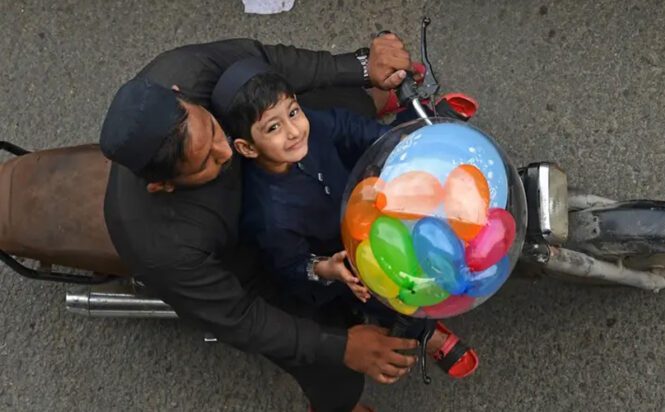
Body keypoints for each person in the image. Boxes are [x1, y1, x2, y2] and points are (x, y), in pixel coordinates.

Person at [100, 37, 423, 412]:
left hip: (264, 154)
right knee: (332, 369)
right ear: (163, 186)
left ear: (180, 95)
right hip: (241, 259)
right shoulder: (166, 248)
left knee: (335, 108)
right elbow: (241, 317)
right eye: (205, 161)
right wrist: (341, 347)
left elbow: (264, 60)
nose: (226, 153)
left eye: (213, 131)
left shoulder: (183, 70)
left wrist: (360, 68)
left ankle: (367, 101)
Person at [213, 62, 480, 380]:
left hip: (368, 189)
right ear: (247, 147)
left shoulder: (312, 127)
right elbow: (291, 264)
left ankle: (416, 120)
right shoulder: (270, 215)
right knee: (379, 288)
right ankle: (423, 330)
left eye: (293, 112)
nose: (294, 130)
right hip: (344, 248)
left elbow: (349, 128)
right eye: (273, 128)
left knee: (401, 145)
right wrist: (327, 268)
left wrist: (399, 149)